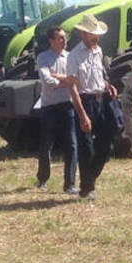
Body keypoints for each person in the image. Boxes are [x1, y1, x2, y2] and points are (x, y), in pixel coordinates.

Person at [66, 14, 118, 201]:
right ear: (82, 34)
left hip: (102, 100)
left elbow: (99, 75)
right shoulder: (73, 56)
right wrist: (82, 116)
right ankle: (87, 188)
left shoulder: (99, 51)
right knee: (86, 148)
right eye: (91, 34)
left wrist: (107, 85)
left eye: (96, 34)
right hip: (84, 102)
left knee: (110, 137)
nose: (95, 37)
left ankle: (90, 177)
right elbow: (72, 87)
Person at [36, 26, 77, 194]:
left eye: (64, 37)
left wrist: (59, 78)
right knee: (46, 144)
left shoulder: (71, 57)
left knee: (72, 145)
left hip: (67, 105)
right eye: (60, 38)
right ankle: (42, 179)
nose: (64, 40)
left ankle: (70, 184)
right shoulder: (43, 57)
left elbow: (77, 78)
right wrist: (66, 81)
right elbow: (47, 81)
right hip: (49, 107)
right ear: (51, 41)